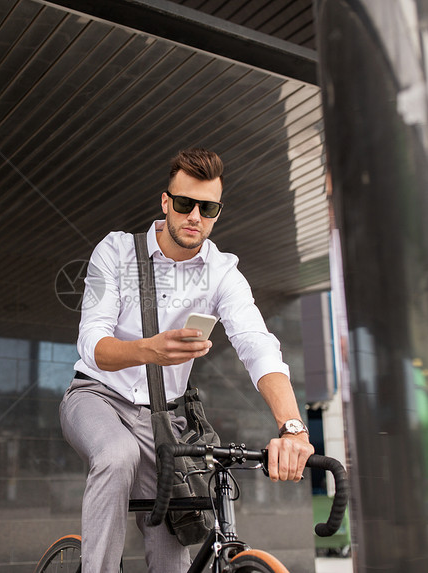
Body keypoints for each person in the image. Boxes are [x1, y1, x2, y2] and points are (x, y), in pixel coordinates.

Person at [59, 148, 314, 572]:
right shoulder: (117, 252)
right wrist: (148, 348)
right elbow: (93, 344)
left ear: (217, 213)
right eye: (184, 204)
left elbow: (258, 345)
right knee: (117, 454)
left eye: (208, 207)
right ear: (166, 203)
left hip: (163, 420)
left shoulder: (222, 272)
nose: (195, 216)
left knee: (172, 548)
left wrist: (292, 428)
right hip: (95, 397)